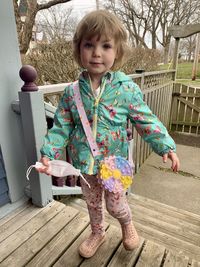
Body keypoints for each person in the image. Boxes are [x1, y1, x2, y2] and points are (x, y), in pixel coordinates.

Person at [37, 10, 180, 258]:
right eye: (89, 45)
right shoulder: (72, 93)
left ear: (117, 51)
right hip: (85, 163)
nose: (96, 53)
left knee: (115, 204)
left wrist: (166, 146)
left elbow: (145, 120)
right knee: (92, 203)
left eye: (106, 45)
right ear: (79, 49)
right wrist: (49, 151)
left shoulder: (125, 89)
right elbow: (61, 126)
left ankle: (126, 223)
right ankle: (97, 232)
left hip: (113, 165)